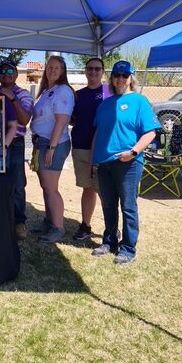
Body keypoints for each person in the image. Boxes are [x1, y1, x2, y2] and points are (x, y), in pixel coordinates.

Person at [91, 60, 159, 265]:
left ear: (131, 79)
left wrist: (133, 152)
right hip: (104, 162)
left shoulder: (139, 101)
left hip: (128, 163)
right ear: (112, 79)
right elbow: (97, 133)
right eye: (117, 75)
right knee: (108, 204)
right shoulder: (104, 104)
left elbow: (150, 133)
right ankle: (109, 241)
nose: (120, 79)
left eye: (125, 75)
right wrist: (92, 161)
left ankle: (128, 248)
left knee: (128, 206)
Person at [30, 55, 75, 243]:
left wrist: (51, 147)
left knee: (51, 188)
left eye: (57, 68)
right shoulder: (48, 91)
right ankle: (48, 221)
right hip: (41, 143)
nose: (52, 70)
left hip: (52, 143)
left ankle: (58, 227)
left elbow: (61, 121)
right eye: (49, 67)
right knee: (45, 187)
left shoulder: (63, 91)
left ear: (63, 71)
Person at [70, 57, 111, 242]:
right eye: (90, 69)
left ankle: (112, 228)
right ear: (85, 71)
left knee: (104, 190)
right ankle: (85, 225)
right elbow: (72, 119)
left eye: (97, 69)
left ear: (103, 71)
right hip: (80, 147)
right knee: (88, 188)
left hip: (103, 150)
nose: (93, 72)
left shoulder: (110, 93)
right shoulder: (78, 95)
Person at [0, 59, 34, 241]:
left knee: (17, 184)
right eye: (2, 71)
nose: (6, 75)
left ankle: (19, 221)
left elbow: (25, 119)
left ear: (17, 74)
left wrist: (12, 98)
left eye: (10, 71)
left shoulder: (24, 94)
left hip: (16, 144)